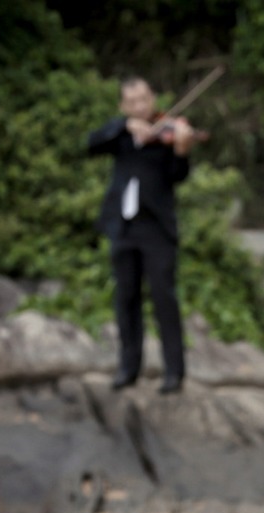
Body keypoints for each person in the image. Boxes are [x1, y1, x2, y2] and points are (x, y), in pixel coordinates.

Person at [87, 76, 195, 394]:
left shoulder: (167, 132)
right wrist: (124, 126)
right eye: (132, 101)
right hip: (122, 228)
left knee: (164, 298)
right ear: (123, 105)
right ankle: (128, 368)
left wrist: (182, 150)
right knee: (126, 298)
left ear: (153, 99)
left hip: (156, 230)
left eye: (144, 99)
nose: (139, 106)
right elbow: (92, 143)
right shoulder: (119, 135)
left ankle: (174, 373)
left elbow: (178, 176)